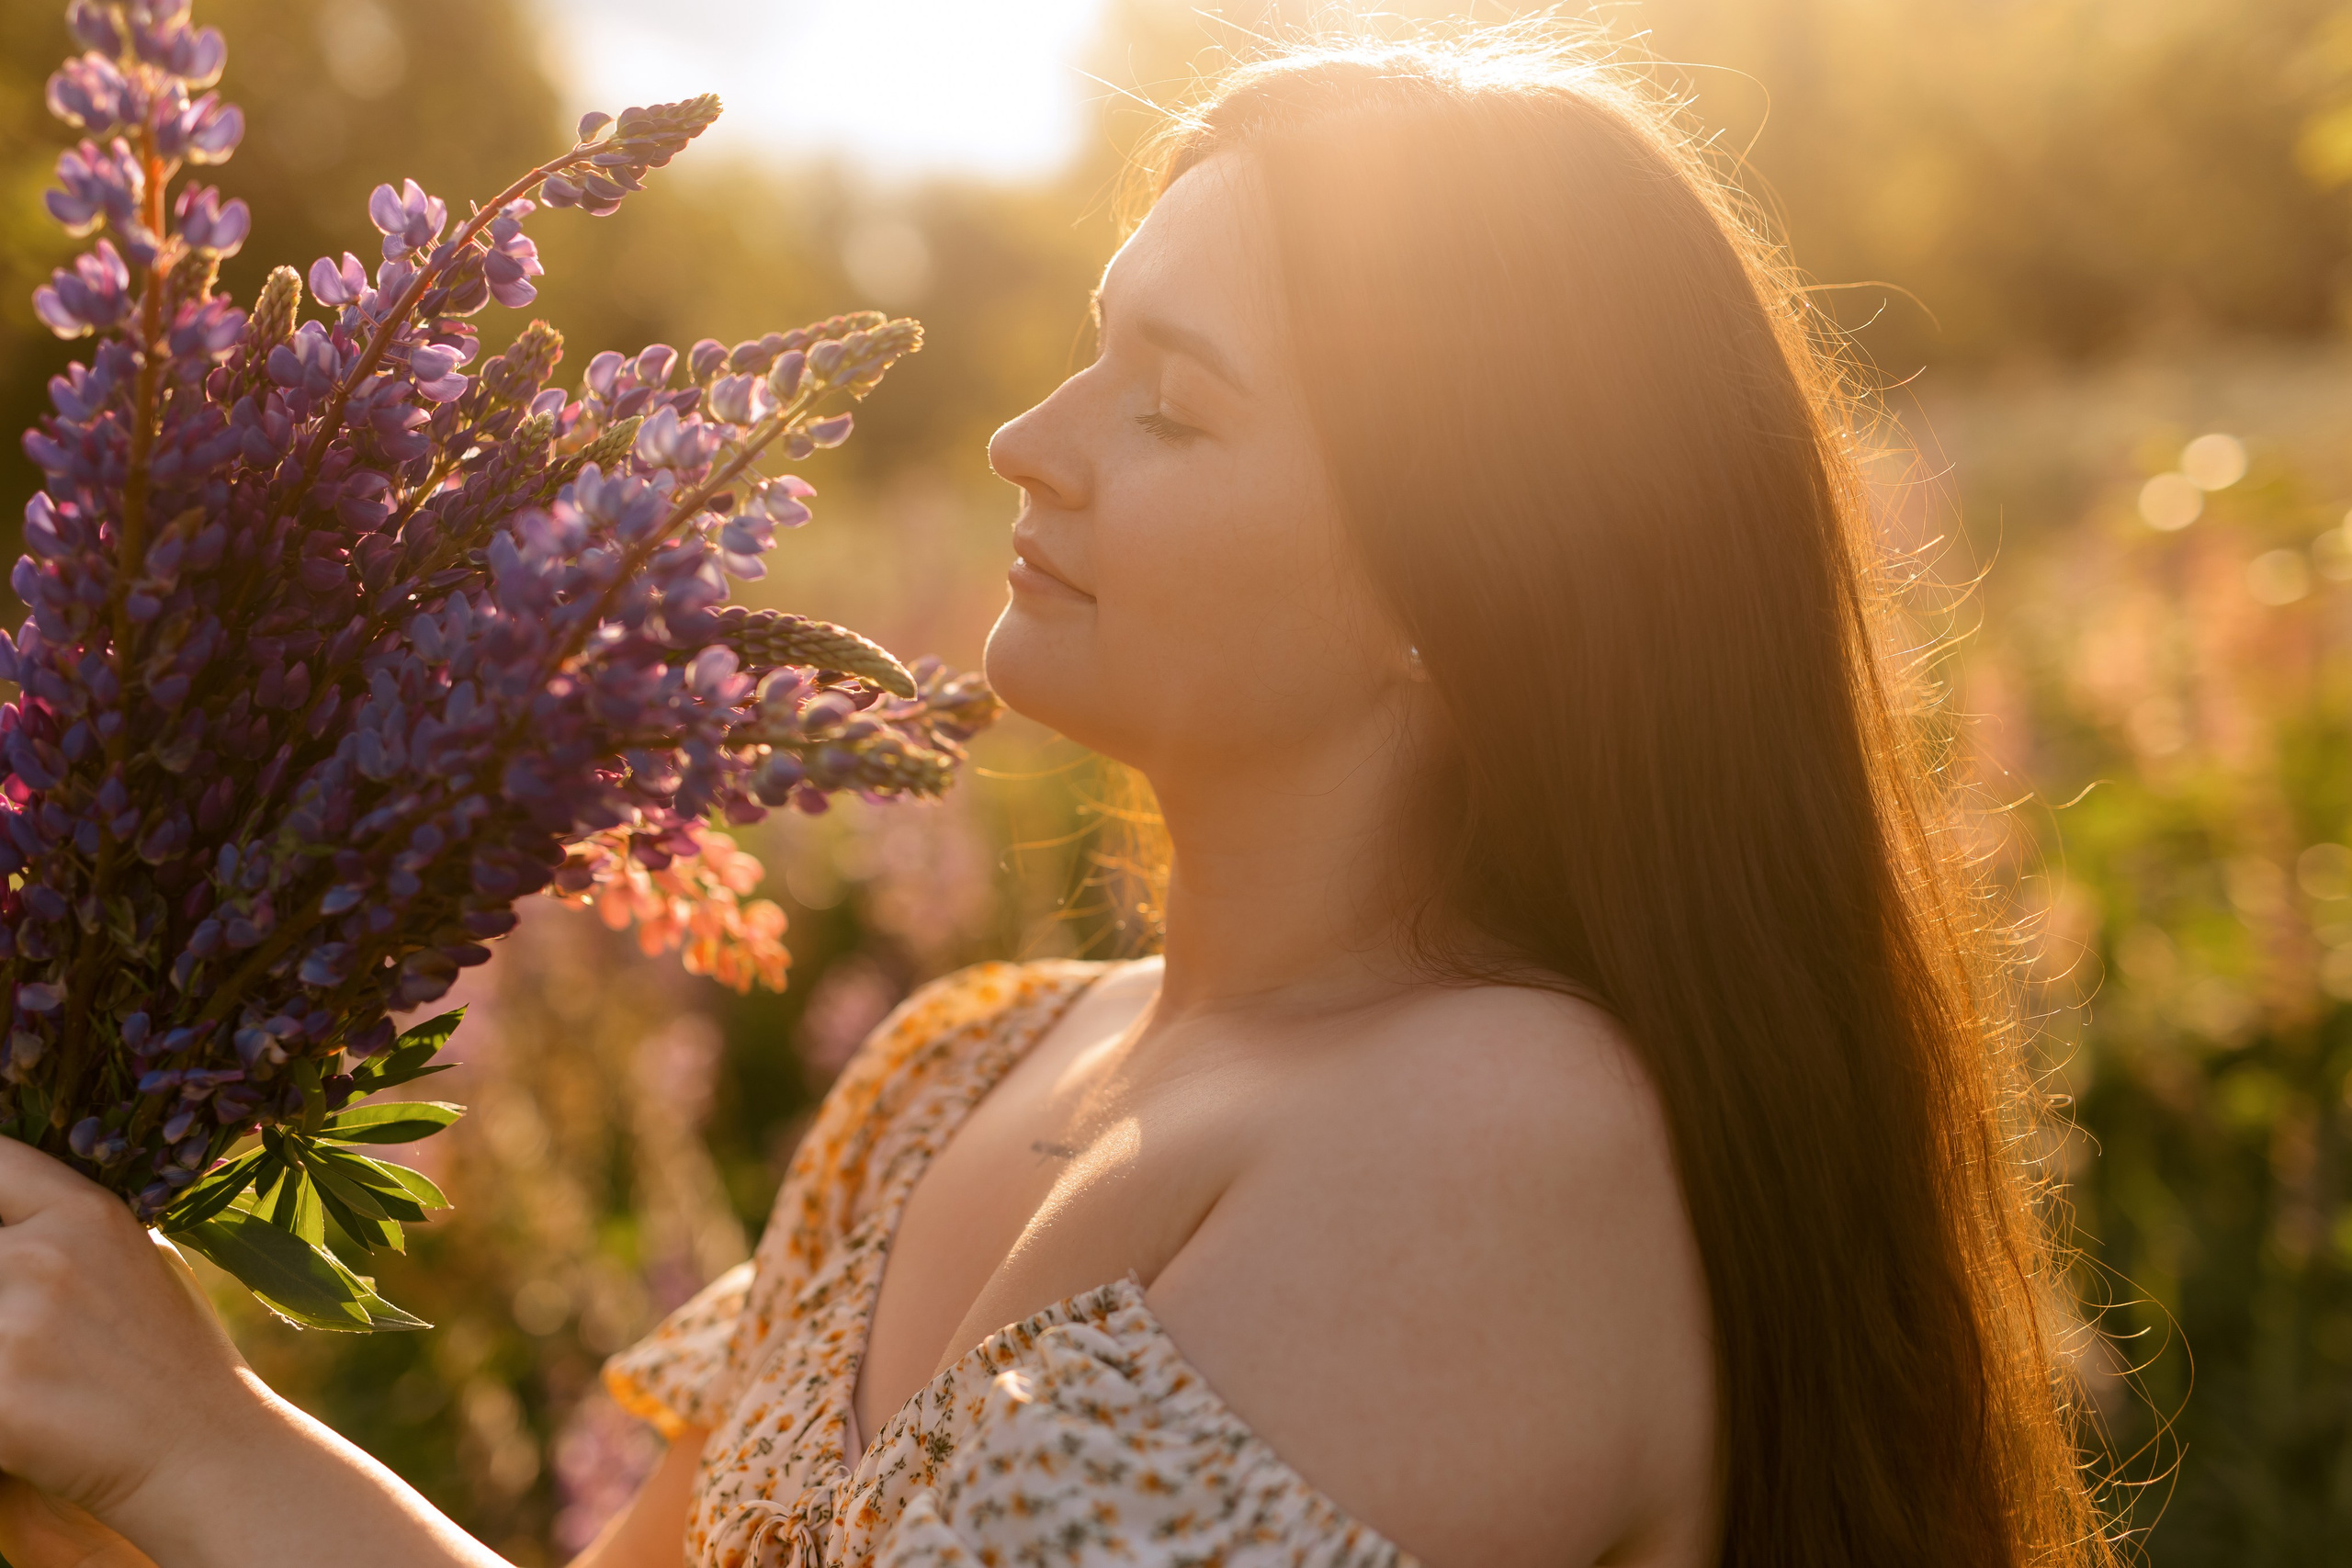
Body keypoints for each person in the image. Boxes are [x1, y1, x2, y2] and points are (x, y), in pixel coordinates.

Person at [0, 30, 2117, 1568]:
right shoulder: (954, 1062)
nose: (1027, 435)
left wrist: (208, 1439)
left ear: (1458, 586)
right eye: (1087, 350)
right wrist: (120, 1448)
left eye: (1171, 405)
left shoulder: (1507, 1144)